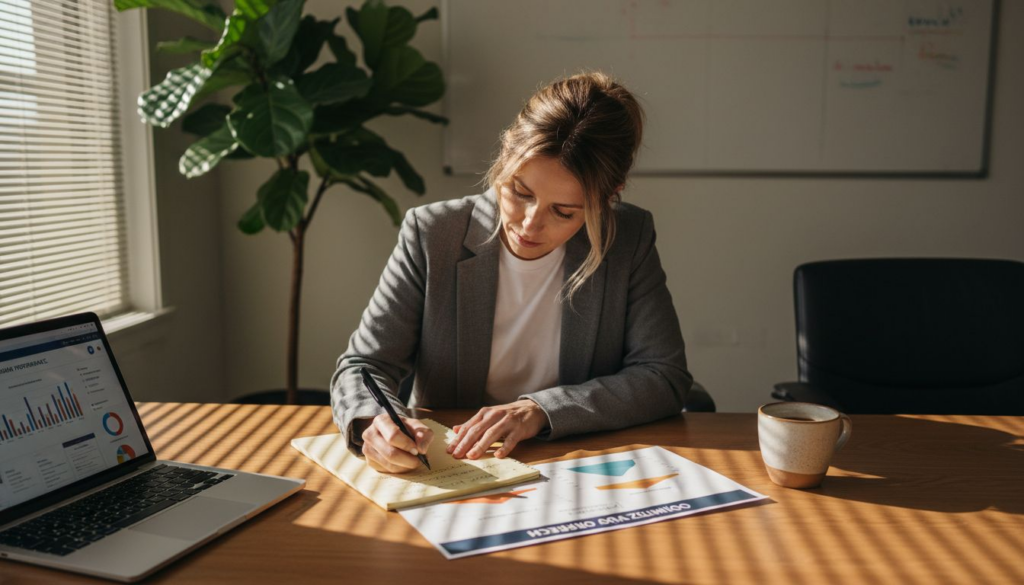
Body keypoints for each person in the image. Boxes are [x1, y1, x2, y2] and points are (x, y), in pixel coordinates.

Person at [330, 72, 692, 473]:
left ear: (609, 199)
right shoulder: (434, 234)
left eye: (564, 211)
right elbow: (364, 365)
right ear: (506, 154)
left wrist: (539, 409)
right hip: (455, 463)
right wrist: (372, 425)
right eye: (520, 192)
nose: (530, 224)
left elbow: (663, 376)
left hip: (575, 461)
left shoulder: (627, 238)